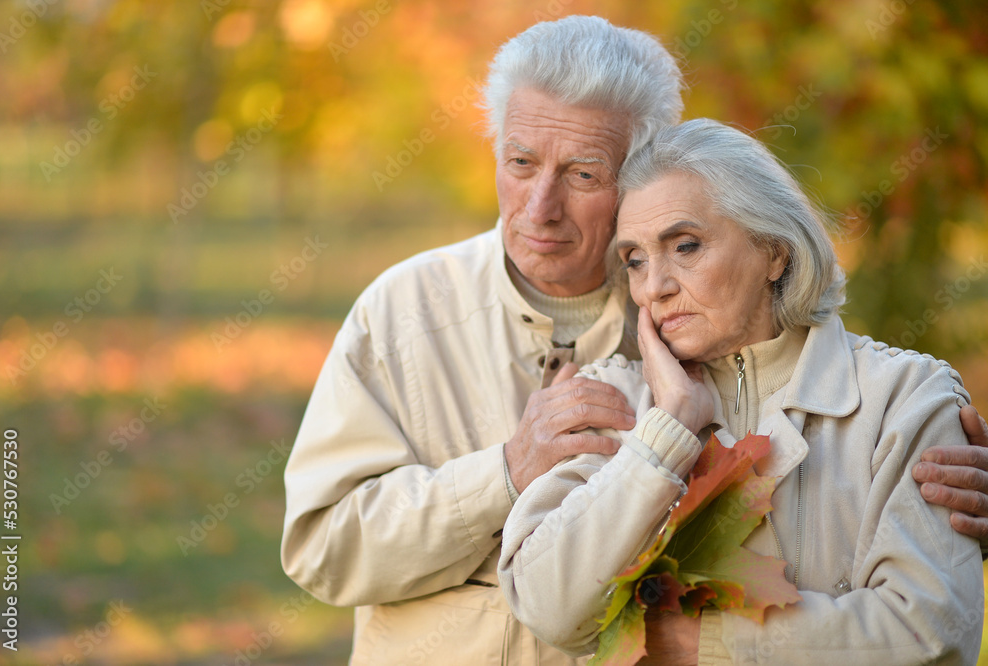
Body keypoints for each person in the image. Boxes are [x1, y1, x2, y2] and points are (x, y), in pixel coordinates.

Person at [281, 15, 988, 666]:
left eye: (583, 175)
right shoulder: (404, 311)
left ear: (642, 173)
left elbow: (907, 594)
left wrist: (937, 521)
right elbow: (322, 546)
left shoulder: (698, 337)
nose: (539, 208)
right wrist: (503, 474)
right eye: (520, 163)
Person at [498, 118, 984, 664]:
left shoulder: (906, 398)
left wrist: (707, 645)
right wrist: (663, 435)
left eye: (685, 246)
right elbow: (544, 605)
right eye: (635, 260)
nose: (654, 286)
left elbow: (934, 633)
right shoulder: (613, 399)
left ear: (775, 251)